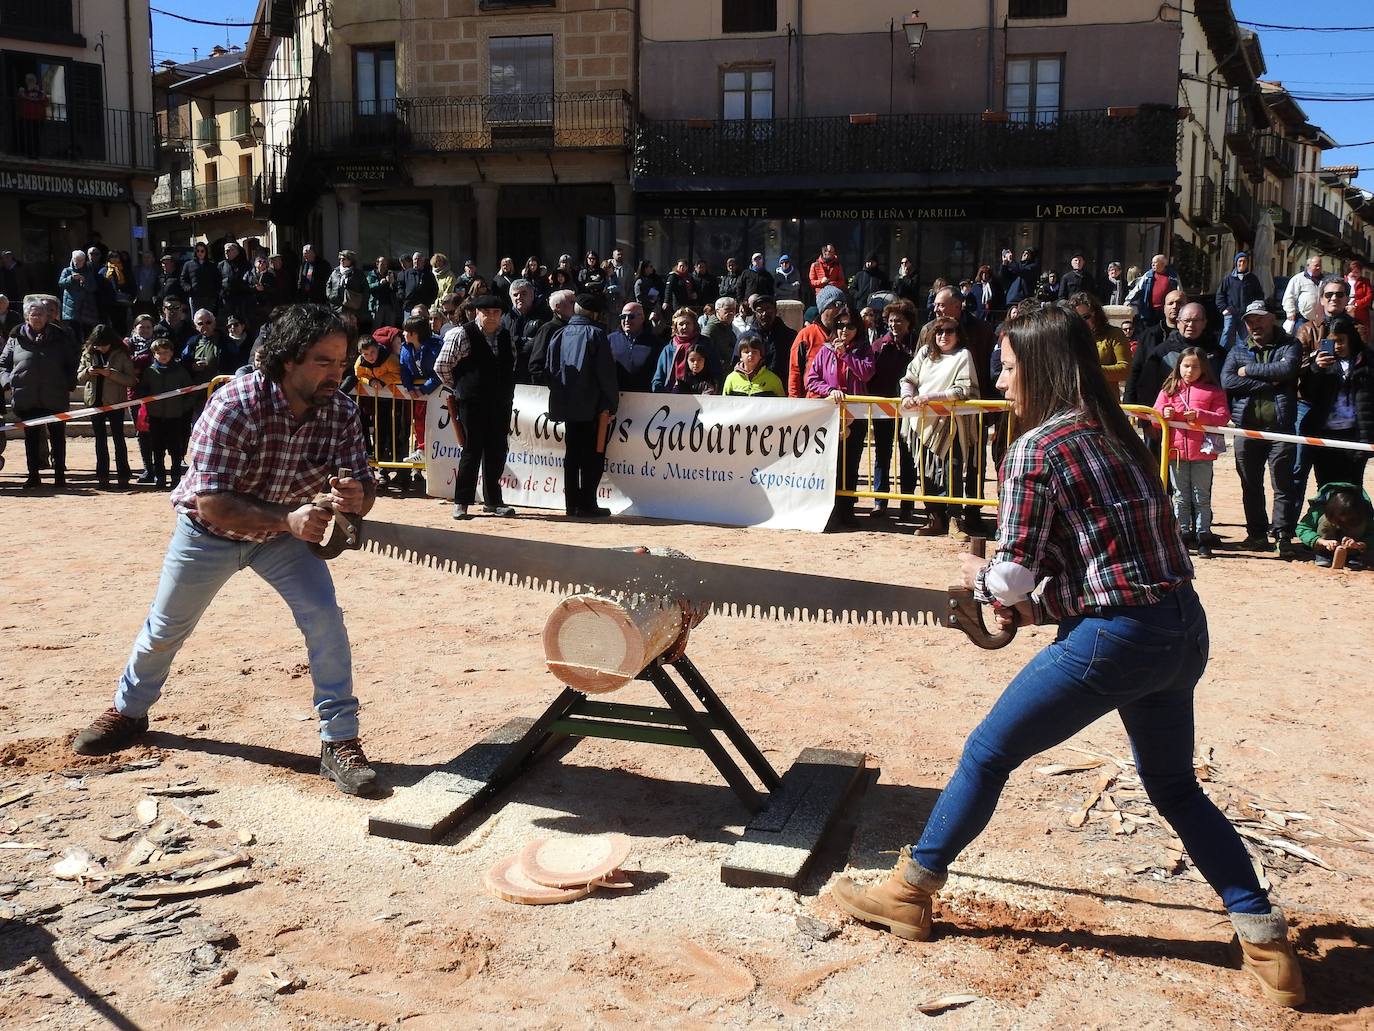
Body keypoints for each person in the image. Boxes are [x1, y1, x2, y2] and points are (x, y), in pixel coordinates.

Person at [830, 306, 1306, 1012]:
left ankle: (910, 890)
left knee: (987, 753)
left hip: (1118, 639)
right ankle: (1266, 941)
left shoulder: (1037, 447)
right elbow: (1107, 561)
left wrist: (983, 580)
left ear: (1040, 368)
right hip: (1180, 628)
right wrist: (1035, 602)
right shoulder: (1121, 433)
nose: (1000, 379)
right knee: (1175, 787)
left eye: (1008, 366)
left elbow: (1014, 576)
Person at [71, 306, 382, 795]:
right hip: (209, 534)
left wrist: (357, 497)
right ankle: (128, 712)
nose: (336, 373)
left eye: (341, 363)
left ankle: (339, 740)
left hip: (282, 539)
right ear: (288, 360)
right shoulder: (235, 404)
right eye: (324, 362)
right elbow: (212, 502)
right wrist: (289, 519)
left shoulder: (340, 410)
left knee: (325, 621)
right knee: (165, 628)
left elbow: (362, 484)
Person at [1222, 301, 1301, 557]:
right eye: (1249, 320)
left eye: (1259, 319)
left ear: (1271, 319)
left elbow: (1287, 369)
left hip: (1281, 428)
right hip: (1246, 429)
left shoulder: (1290, 344)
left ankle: (1283, 536)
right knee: (1250, 484)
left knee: (1283, 484)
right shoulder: (1237, 349)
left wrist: (1249, 371)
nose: (1254, 325)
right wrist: (1270, 384)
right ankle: (1256, 535)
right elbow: (1228, 381)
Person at [435, 294, 517, 520]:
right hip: (472, 403)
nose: (492, 316)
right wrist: (461, 386)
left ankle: (493, 502)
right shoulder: (462, 334)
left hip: (500, 403)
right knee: (471, 451)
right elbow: (442, 366)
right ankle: (461, 502)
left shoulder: (506, 335)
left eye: (496, 313)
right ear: (477, 313)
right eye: (486, 312)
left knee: (497, 451)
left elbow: (511, 363)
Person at [900, 317, 980, 538]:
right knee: (926, 471)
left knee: (952, 470)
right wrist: (907, 396)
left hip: (950, 424)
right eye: (939, 332)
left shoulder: (963, 355)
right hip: (923, 421)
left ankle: (955, 520)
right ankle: (933, 517)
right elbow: (909, 378)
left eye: (949, 331)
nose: (944, 336)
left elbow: (963, 390)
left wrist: (930, 398)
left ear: (958, 334)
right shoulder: (925, 353)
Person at [546, 293, 619, 517]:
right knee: (593, 455)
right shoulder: (596, 334)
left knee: (572, 454)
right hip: (592, 406)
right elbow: (606, 374)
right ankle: (587, 504)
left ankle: (572, 504)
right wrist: (611, 404)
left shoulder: (559, 333)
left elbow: (550, 370)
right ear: (594, 314)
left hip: (567, 405)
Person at [1154, 347, 1230, 558]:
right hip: (1176, 453)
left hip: (1202, 453)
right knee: (1180, 496)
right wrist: (1163, 414)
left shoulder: (1213, 391)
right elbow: (1155, 418)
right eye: (1186, 366)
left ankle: (1204, 535)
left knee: (1201, 496)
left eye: (1195, 366)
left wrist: (1199, 415)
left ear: (1203, 368)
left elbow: (1223, 417)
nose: (1190, 370)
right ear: (1178, 366)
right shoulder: (1168, 390)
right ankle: (1183, 535)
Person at [806, 305, 874, 527]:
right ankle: (831, 509)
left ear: (857, 328)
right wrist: (829, 390)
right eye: (840, 325)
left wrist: (846, 356)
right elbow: (812, 379)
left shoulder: (864, 350)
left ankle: (847, 510)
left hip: (856, 415)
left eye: (850, 326)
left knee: (851, 463)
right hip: (831, 416)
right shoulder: (825, 350)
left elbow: (866, 373)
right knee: (832, 462)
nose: (845, 330)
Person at [0, 298, 78, 488]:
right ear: (27, 316)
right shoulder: (15, 338)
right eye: (33, 314)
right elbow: (3, 364)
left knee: (58, 438)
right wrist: (7, 382)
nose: (37, 318)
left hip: (55, 395)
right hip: (27, 396)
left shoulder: (60, 336)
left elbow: (72, 361)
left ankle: (60, 476)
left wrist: (69, 382)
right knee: (31, 439)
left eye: (41, 314)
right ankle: (33, 476)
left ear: (47, 317)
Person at [1300, 314, 1372, 488]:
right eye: (1333, 342)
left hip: (1355, 435)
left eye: (1341, 341)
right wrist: (1316, 369)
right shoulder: (1320, 360)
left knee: (1353, 487)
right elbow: (1307, 394)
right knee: (1326, 488)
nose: (1337, 346)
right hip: (1324, 434)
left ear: (1351, 339)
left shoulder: (1367, 360)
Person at [868, 300, 920, 520]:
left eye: (899, 320)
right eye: (891, 320)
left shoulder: (918, 346)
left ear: (908, 322)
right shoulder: (878, 346)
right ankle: (880, 501)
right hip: (884, 408)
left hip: (909, 408)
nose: (894, 324)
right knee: (882, 454)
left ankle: (907, 505)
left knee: (908, 457)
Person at [77, 324, 138, 487]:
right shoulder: (88, 352)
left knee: (119, 439)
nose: (101, 348)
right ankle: (102, 476)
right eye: (98, 345)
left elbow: (131, 380)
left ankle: (123, 476)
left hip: (115, 402)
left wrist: (110, 373)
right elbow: (79, 378)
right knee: (100, 441)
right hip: (94, 402)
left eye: (104, 345)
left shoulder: (122, 354)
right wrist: (88, 372)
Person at [139, 337, 195, 486]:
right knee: (157, 449)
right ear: (154, 354)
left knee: (176, 449)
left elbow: (190, 392)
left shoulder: (180, 371)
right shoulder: (150, 372)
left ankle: (176, 477)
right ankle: (160, 476)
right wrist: (150, 406)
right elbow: (143, 391)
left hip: (175, 417)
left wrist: (182, 408)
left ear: (171, 353)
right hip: (155, 416)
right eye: (159, 353)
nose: (163, 355)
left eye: (166, 352)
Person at [788, 286, 849, 398]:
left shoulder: (848, 333)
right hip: (814, 402)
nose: (841, 309)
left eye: (843, 305)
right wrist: (794, 401)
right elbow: (795, 371)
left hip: (843, 401)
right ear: (824, 307)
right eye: (837, 304)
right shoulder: (806, 335)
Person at [1297, 482, 1372, 569]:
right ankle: (1324, 554)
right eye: (1339, 520)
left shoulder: (1364, 512)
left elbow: (1371, 534)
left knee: (1361, 524)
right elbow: (1303, 529)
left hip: (1353, 548)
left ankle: (1352, 555)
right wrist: (1321, 541)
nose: (1343, 523)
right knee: (1325, 521)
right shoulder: (1319, 510)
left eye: (1349, 520)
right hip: (1324, 545)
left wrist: (1359, 544)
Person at [1071, 292, 1132, 390]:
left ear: (1096, 314)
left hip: (1105, 394)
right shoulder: (1072, 337)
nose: (1082, 322)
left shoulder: (1114, 334)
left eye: (1086, 317)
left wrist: (1091, 370)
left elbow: (1125, 369)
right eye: (1078, 318)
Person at [652, 307, 720, 393]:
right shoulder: (668, 349)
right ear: (675, 327)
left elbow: (716, 372)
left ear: (694, 325)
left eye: (688, 323)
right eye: (681, 324)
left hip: (701, 394)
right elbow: (658, 378)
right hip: (670, 395)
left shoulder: (705, 344)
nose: (684, 327)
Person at [734, 293, 795, 384]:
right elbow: (736, 364)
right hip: (753, 387)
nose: (764, 314)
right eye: (760, 310)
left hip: (782, 386)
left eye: (768, 309)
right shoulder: (746, 337)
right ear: (755, 313)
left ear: (775, 311)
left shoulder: (790, 336)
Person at [1214, 252, 1265, 352]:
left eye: (1244, 261)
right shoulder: (1228, 279)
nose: (1242, 263)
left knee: (1246, 336)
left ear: (1247, 263)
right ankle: (1221, 354)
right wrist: (1223, 308)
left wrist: (1254, 307)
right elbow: (1220, 295)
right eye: (1240, 261)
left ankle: (1246, 354)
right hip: (1231, 313)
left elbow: (1259, 295)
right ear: (1236, 263)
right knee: (1227, 334)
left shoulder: (1253, 279)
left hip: (1246, 314)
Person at [608, 302, 663, 392]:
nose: (626, 320)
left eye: (631, 316)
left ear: (642, 318)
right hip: (616, 395)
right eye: (623, 316)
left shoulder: (655, 343)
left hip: (644, 396)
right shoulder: (610, 340)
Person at [527, 289, 575, 388]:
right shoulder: (548, 329)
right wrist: (552, 384)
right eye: (571, 302)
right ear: (558, 307)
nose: (575, 306)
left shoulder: (575, 328)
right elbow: (536, 365)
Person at [722, 333, 784, 397]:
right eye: (746, 352)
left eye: (754, 352)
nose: (750, 355)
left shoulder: (773, 379)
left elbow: (781, 402)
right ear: (740, 357)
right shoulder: (731, 379)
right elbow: (725, 402)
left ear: (760, 355)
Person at [59, 249, 101, 339]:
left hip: (85, 305)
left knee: (87, 331)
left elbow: (93, 287)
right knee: (74, 331)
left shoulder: (88, 272)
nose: (77, 263)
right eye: (76, 260)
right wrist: (70, 278)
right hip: (71, 305)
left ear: (84, 260)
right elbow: (61, 283)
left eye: (80, 260)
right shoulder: (67, 271)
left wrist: (84, 281)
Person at [1133, 254, 1180, 329]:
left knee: (1164, 329)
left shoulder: (1173, 276)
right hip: (1149, 309)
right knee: (1149, 331)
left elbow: (1179, 292)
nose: (1152, 264)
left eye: (1155, 262)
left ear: (1163, 264)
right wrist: (1128, 301)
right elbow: (1137, 289)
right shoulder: (1148, 275)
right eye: (1152, 262)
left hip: (1165, 310)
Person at [1282, 256, 1323, 333]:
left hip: (1320, 320)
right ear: (1308, 266)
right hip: (1302, 318)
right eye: (1316, 265)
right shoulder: (1298, 279)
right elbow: (1289, 297)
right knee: (1301, 338)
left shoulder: (1324, 280)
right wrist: (1290, 312)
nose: (1319, 268)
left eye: (1320, 265)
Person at [179, 242, 221, 317]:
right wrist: (188, 288)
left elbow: (218, 280)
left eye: (202, 251)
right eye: (198, 251)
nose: (200, 253)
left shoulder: (212, 265)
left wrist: (215, 293)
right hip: (195, 297)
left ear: (206, 252)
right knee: (196, 318)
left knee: (208, 318)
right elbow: (183, 279)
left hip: (209, 298)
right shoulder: (188, 265)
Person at [218, 242, 250, 324]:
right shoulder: (221, 265)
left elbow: (249, 278)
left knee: (242, 319)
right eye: (225, 251)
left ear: (236, 251)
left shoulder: (245, 264)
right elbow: (217, 280)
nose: (226, 252)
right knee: (229, 319)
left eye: (229, 250)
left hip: (242, 296)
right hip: (227, 297)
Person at [703, 296, 739, 367]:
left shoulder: (730, 327)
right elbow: (703, 352)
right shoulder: (710, 330)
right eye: (727, 309)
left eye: (733, 309)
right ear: (717, 311)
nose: (731, 313)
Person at [368, 257, 400, 329]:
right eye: (382, 264)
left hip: (390, 304)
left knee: (390, 328)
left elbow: (396, 289)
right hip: (377, 305)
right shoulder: (372, 274)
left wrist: (392, 283)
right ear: (377, 264)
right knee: (376, 327)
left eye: (385, 264)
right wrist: (379, 283)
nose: (384, 266)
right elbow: (369, 287)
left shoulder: (390, 274)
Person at [1345, 259, 1371, 333]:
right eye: (1352, 272)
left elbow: (1369, 296)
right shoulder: (1343, 281)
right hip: (1345, 311)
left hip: (1360, 313)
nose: (1354, 274)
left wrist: (1357, 304)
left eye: (1357, 272)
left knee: (1361, 333)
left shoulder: (1365, 282)